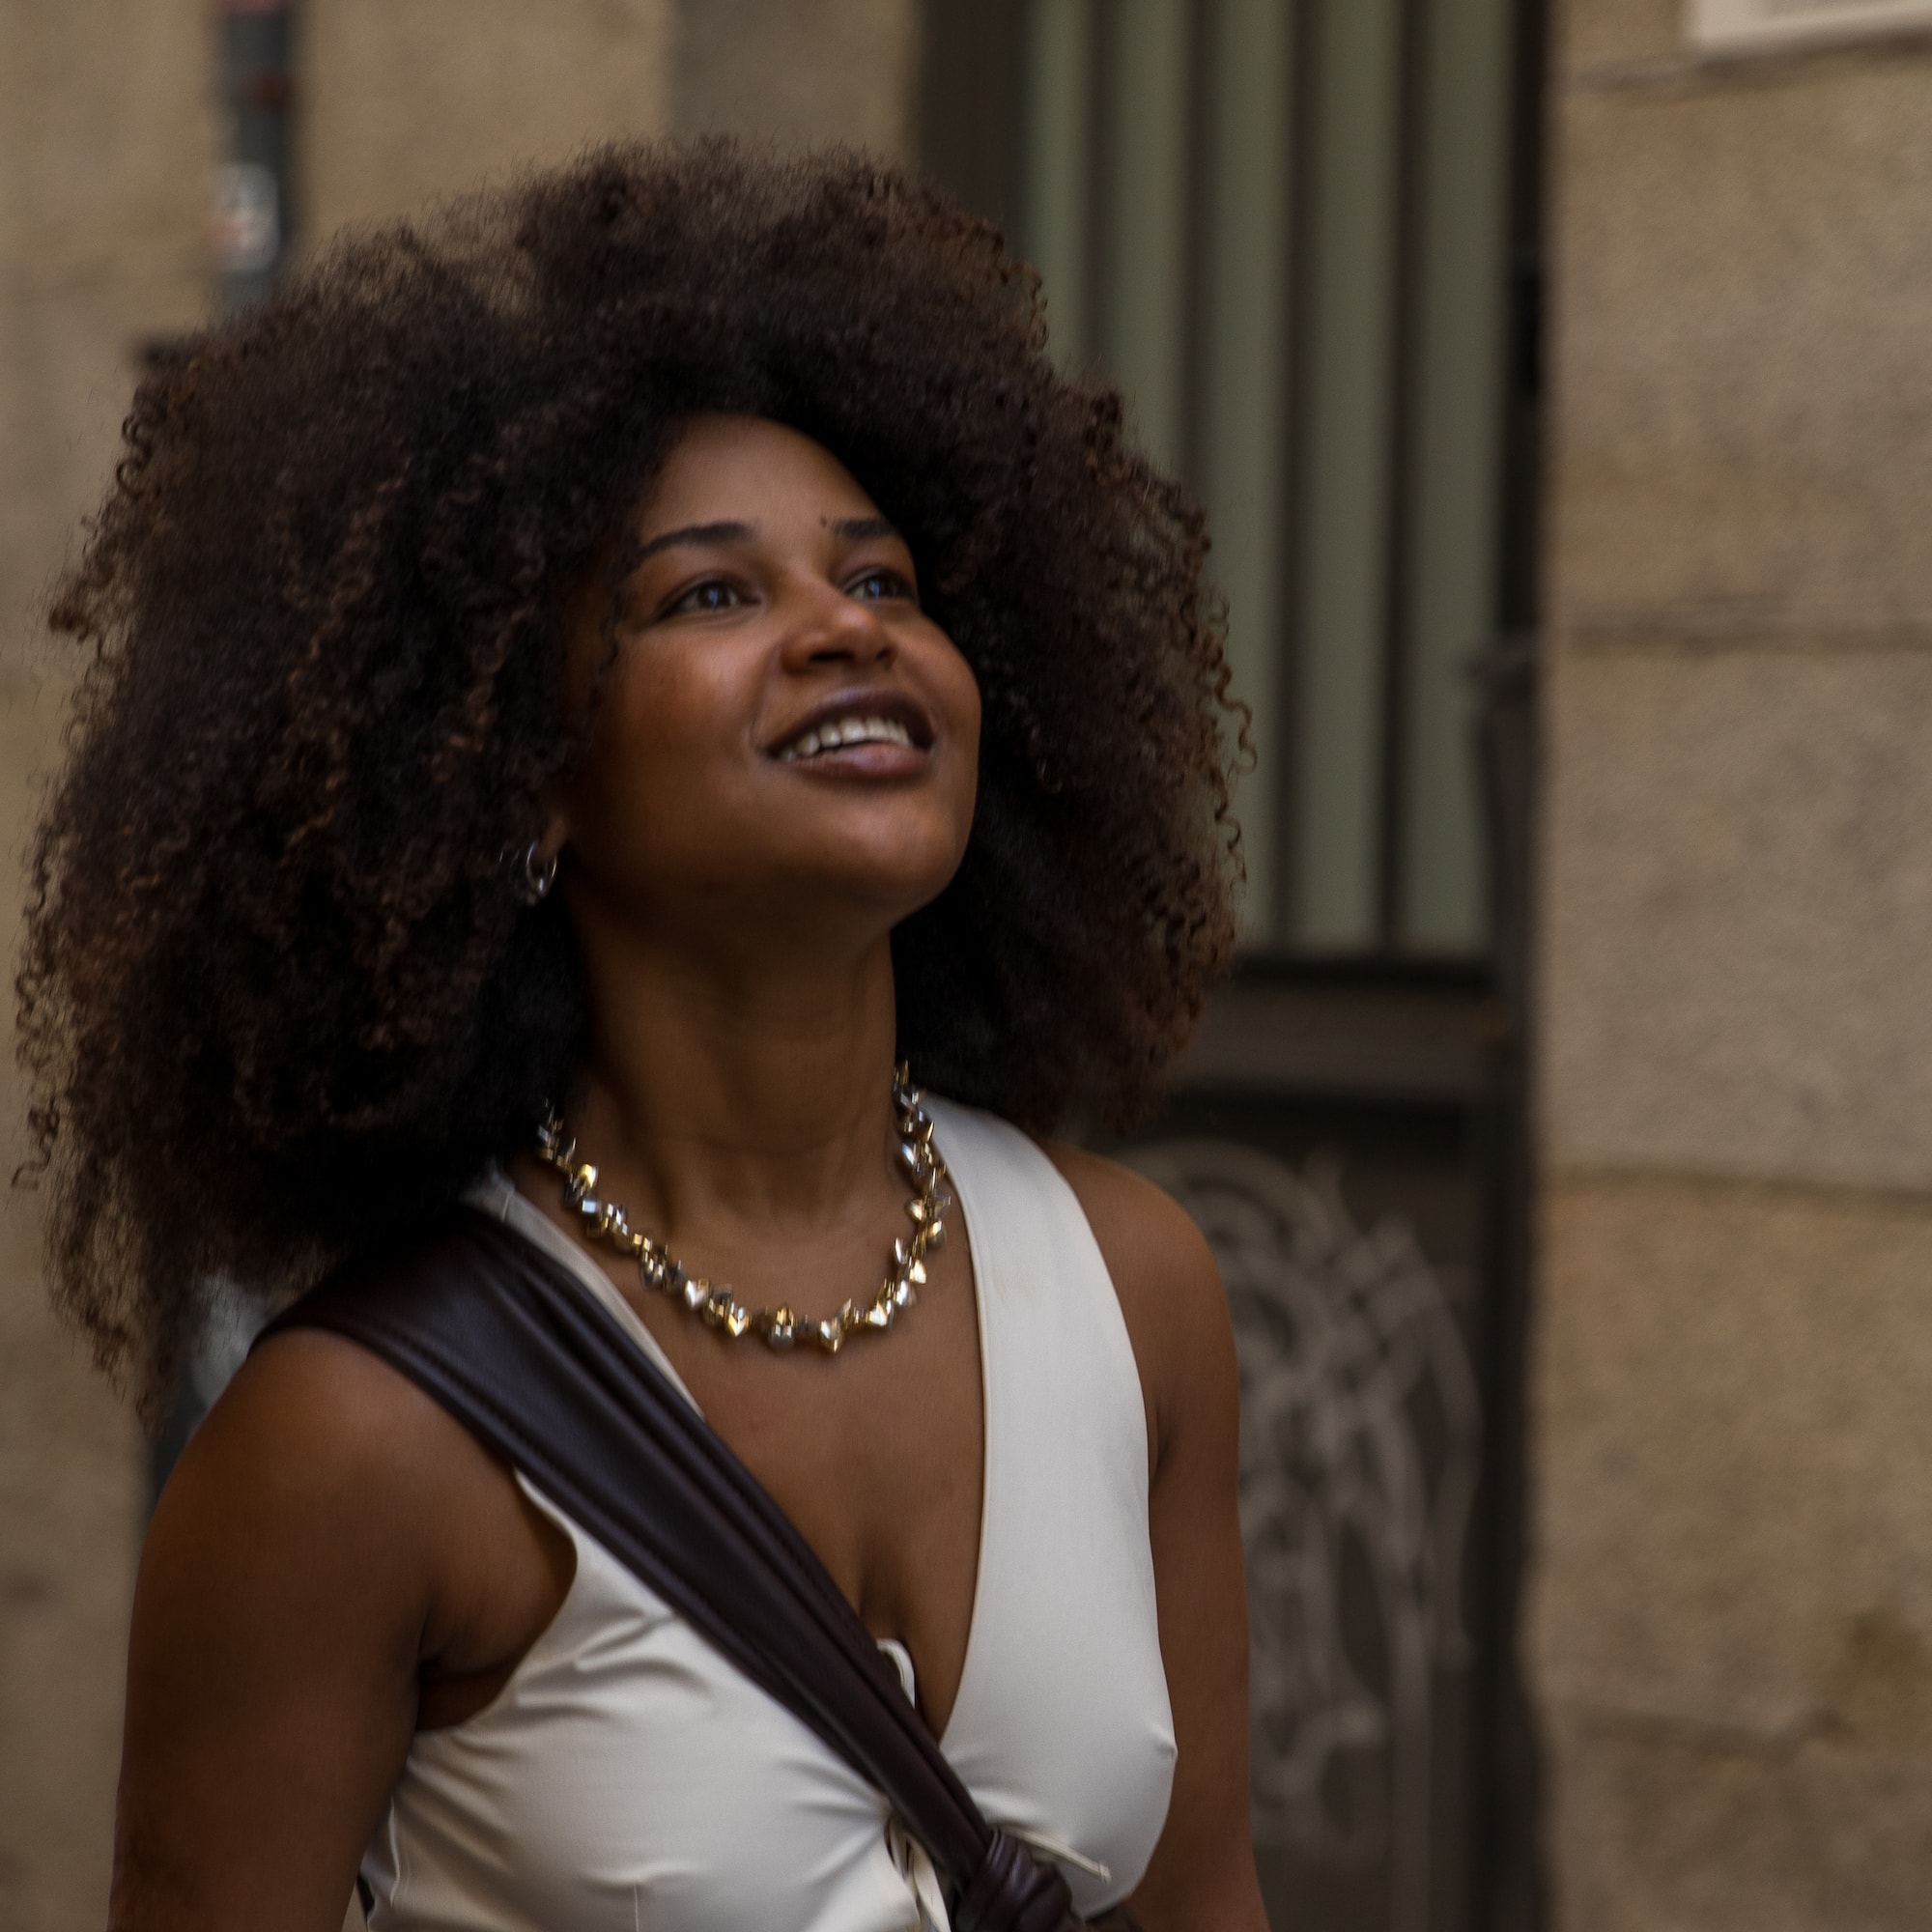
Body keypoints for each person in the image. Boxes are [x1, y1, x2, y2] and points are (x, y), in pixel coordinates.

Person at [19, 143, 1264, 1931]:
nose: (846, 629)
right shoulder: (357, 1444)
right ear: (517, 781)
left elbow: (1208, 1903)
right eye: (711, 595)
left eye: (888, 582)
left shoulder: (1138, 1293)